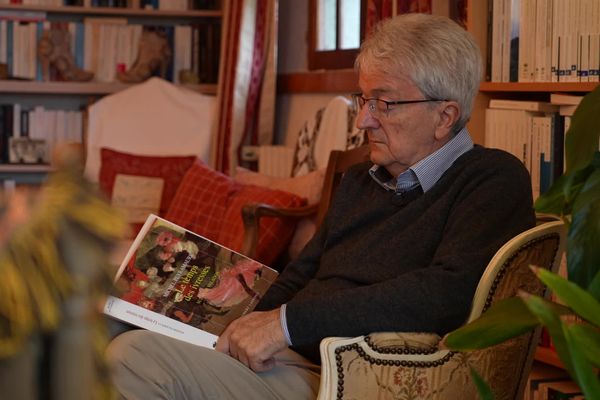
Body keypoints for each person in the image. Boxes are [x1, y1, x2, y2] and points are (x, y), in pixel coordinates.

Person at [107, 13, 535, 400]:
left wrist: (286, 324)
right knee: (95, 322)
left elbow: (446, 293)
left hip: (348, 373)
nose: (363, 121)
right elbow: (299, 277)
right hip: (287, 352)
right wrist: (207, 314)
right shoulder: (360, 181)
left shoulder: (491, 179)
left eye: (383, 104)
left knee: (133, 357)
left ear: (445, 116)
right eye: (362, 100)